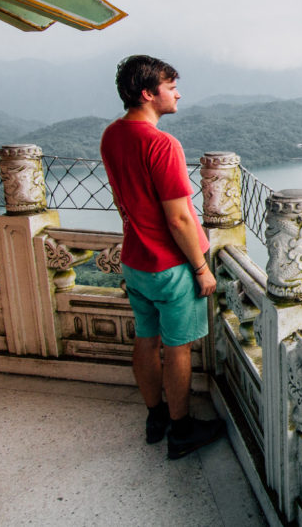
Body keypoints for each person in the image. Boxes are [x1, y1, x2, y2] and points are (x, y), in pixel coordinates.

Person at [100, 54, 224, 460]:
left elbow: (125, 199)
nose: (178, 93)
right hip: (170, 267)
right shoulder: (161, 144)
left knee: (145, 338)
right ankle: (181, 429)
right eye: (171, 87)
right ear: (148, 93)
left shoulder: (112, 135)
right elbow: (179, 220)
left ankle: (156, 417)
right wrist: (201, 268)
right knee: (177, 349)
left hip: (135, 260)